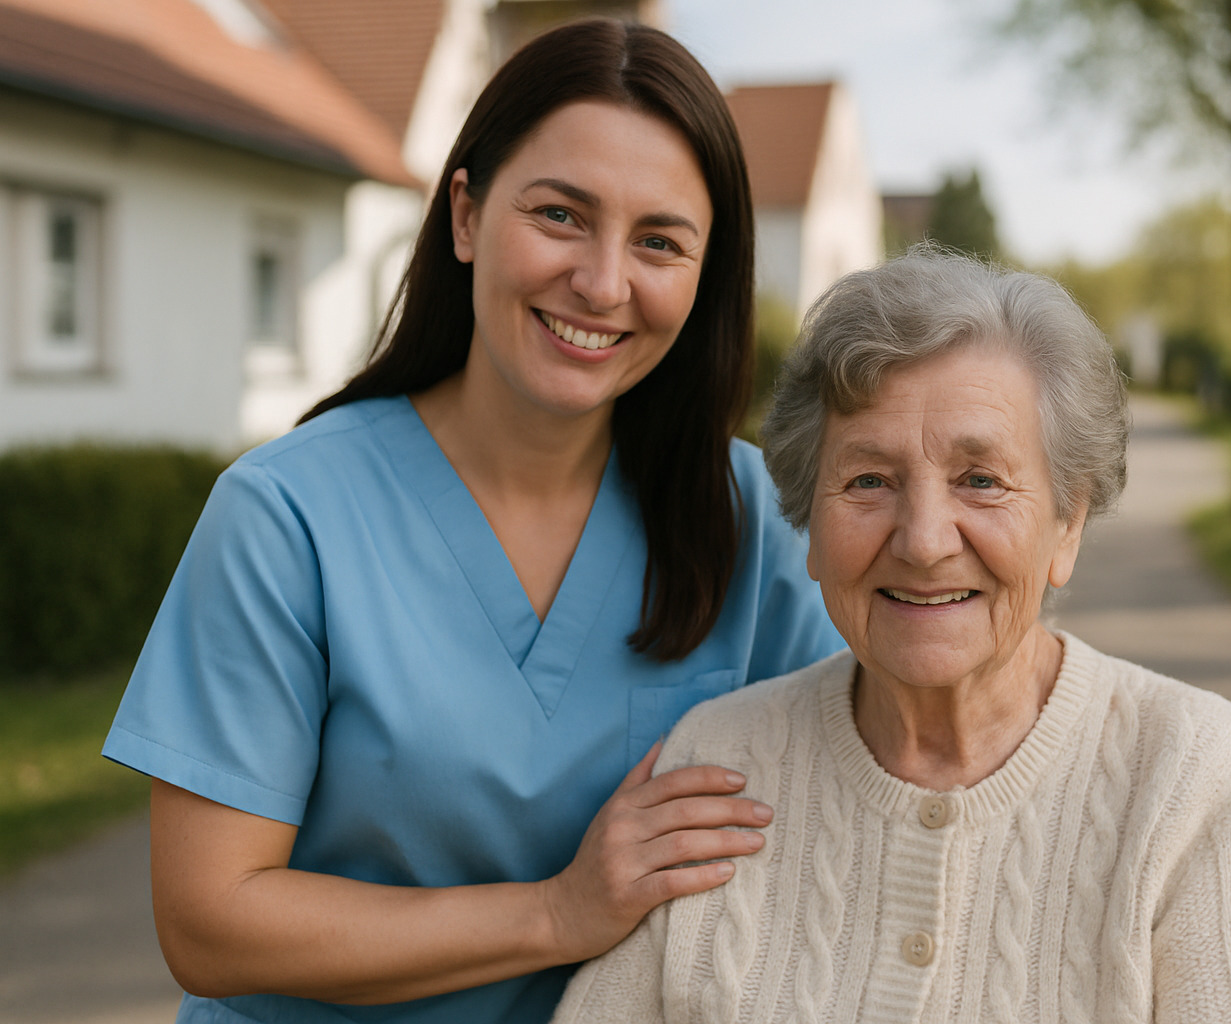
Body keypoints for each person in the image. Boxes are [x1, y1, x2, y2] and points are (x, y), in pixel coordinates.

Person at [102, 18, 843, 1024]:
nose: (603, 283)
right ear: (466, 214)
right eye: (561, 215)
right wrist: (556, 912)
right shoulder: (286, 517)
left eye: (660, 242)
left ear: (705, 275)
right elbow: (211, 921)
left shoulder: (753, 522)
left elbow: (886, 775)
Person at [551, 249, 1231, 1023]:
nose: (924, 541)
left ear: (1067, 524)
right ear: (809, 526)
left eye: (980, 481)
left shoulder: (1192, 772)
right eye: (868, 481)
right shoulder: (716, 760)